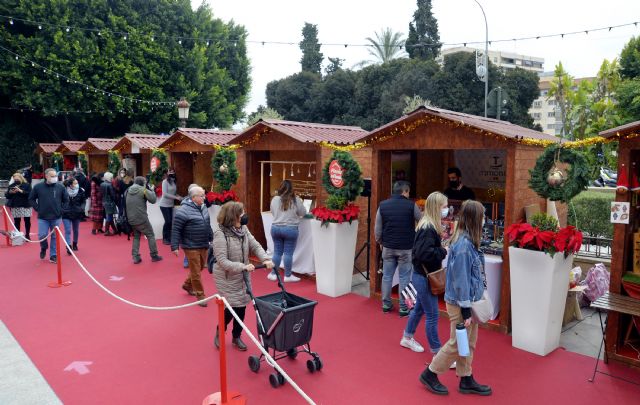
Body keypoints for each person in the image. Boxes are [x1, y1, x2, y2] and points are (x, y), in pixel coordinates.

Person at [419, 200, 492, 396]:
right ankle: (430, 373)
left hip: (468, 302)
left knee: (469, 343)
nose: (485, 220)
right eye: (483, 216)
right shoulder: (463, 246)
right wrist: (466, 309)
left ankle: (466, 378)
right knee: (456, 343)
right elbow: (461, 281)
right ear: (475, 219)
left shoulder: (468, 242)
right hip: (462, 304)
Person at [212, 201, 273, 351]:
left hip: (242, 275)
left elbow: (255, 245)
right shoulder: (220, 234)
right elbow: (222, 261)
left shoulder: (243, 229)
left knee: (242, 307)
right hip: (227, 277)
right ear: (233, 216)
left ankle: (236, 336)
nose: (244, 215)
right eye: (242, 213)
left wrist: (265, 258)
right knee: (232, 308)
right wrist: (242, 267)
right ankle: (220, 331)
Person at [401, 192, 448, 356]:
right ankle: (438, 352)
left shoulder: (428, 224)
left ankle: (407, 337)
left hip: (423, 275)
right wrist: (442, 251)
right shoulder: (428, 227)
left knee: (420, 310)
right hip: (424, 276)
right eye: (444, 207)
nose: (446, 210)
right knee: (433, 315)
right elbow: (424, 254)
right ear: (437, 207)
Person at [375, 181, 422, 317]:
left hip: (388, 246)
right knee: (404, 278)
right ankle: (403, 307)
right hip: (406, 248)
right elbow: (422, 220)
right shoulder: (411, 205)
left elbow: (377, 228)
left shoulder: (383, 205)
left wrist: (380, 241)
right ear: (405, 191)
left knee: (387, 276)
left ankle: (386, 304)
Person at [171, 186, 212, 307]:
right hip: (190, 245)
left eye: (204, 195)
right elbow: (176, 229)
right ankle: (200, 295)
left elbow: (207, 224)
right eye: (202, 196)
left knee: (199, 268)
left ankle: (187, 284)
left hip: (203, 243)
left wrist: (211, 238)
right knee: (196, 272)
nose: (204, 198)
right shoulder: (183, 210)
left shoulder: (204, 207)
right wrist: (174, 246)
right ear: (193, 197)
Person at [267, 180, 307, 283]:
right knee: (288, 253)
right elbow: (303, 212)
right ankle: (287, 275)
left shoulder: (275, 199)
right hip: (290, 229)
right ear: (292, 189)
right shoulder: (295, 199)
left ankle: (273, 274)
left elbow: (272, 211)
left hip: (276, 228)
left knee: (277, 252)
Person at [28, 168, 69, 263]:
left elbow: (66, 200)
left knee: (55, 236)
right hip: (43, 217)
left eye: (55, 175)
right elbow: (31, 199)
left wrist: (62, 210)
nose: (55, 177)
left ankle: (53, 255)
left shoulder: (60, 187)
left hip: (57, 217)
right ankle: (43, 247)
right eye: (52, 176)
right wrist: (38, 208)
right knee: (42, 235)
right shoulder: (38, 187)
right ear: (46, 176)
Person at [126, 176, 163, 264]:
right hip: (141, 218)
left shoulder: (128, 190)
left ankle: (135, 257)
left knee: (136, 237)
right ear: (143, 183)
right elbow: (153, 200)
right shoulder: (143, 190)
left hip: (131, 218)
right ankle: (154, 255)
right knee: (150, 235)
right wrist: (151, 189)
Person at [62, 178, 87, 253]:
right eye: (75, 183)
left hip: (77, 212)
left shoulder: (81, 191)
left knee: (75, 230)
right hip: (66, 213)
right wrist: (62, 209)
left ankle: (75, 243)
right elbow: (60, 200)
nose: (77, 184)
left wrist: (81, 208)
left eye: (77, 183)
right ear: (70, 185)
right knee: (68, 230)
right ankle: (68, 246)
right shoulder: (64, 191)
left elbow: (83, 201)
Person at [6, 172, 32, 240]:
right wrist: (10, 192)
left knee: (27, 220)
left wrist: (21, 191)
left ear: (21, 178)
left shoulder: (27, 185)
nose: (16, 180)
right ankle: (17, 235)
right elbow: (7, 196)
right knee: (17, 221)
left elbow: (30, 194)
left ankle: (27, 234)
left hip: (26, 205)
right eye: (15, 179)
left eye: (17, 179)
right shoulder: (11, 185)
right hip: (15, 205)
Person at [159, 169, 182, 245]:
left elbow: (174, 193)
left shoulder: (174, 181)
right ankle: (165, 238)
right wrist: (176, 198)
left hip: (170, 205)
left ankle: (169, 237)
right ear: (168, 173)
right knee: (168, 221)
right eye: (170, 172)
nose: (172, 174)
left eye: (173, 172)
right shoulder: (165, 182)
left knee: (170, 222)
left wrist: (180, 197)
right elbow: (165, 194)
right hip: (164, 205)